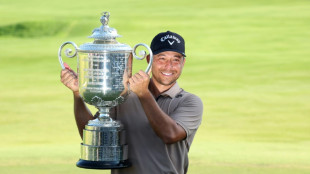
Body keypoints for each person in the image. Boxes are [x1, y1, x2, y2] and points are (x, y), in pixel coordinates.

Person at [60, 31, 203, 174]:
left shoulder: (189, 101)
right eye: (162, 58)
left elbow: (170, 135)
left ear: (183, 63)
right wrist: (78, 94)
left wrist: (143, 94)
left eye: (176, 60)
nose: (169, 66)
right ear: (149, 59)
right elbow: (96, 137)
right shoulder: (124, 95)